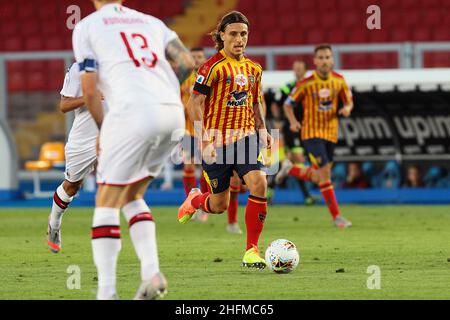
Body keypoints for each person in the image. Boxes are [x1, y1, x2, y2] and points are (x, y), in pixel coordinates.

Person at [72, 0, 194, 299]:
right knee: (132, 194)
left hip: (132, 112)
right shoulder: (150, 22)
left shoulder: (87, 26)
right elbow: (188, 62)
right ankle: (151, 273)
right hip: (171, 112)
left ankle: (107, 292)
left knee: (106, 200)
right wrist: (162, 91)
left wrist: (104, 130)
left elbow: (89, 90)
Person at [178, 11, 272, 269]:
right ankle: (195, 199)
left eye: (243, 34)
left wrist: (262, 130)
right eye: (233, 34)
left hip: (244, 137)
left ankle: (251, 250)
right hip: (217, 141)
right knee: (218, 204)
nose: (239, 39)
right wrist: (205, 139)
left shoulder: (255, 69)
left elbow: (255, 102)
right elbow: (193, 103)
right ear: (221, 36)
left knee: (259, 183)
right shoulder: (211, 67)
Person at [277, 44, 353, 228]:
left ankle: (291, 169)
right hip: (311, 134)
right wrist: (294, 122)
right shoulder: (306, 83)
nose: (325, 61)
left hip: (331, 134)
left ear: (332, 60)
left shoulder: (340, 81)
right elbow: (288, 104)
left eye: (328, 57)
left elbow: (349, 102)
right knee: (325, 173)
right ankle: (337, 217)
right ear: (315, 61)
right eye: (321, 57)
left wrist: (346, 109)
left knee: (321, 176)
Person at [47, 62, 108, 254]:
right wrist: (90, 97)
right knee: (72, 186)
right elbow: (64, 105)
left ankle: (108, 236)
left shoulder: (123, 62)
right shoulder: (79, 68)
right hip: (84, 138)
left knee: (116, 182)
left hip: (114, 133)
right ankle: (54, 224)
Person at [271, 61, 316, 204]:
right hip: (292, 128)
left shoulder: (311, 86)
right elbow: (275, 103)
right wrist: (278, 120)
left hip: (306, 128)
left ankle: (270, 189)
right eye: (295, 69)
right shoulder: (288, 87)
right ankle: (307, 196)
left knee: (294, 162)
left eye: (299, 69)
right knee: (299, 159)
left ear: (305, 70)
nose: (297, 71)